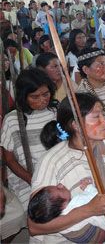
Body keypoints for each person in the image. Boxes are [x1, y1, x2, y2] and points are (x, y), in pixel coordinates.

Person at [29, 93, 105, 243]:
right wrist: (89, 210)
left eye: (103, 115)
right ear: (76, 125)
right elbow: (34, 227)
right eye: (96, 117)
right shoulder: (52, 161)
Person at [0, 68, 57, 209]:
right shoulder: (13, 120)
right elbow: (9, 159)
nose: (43, 100)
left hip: (56, 170)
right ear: (23, 96)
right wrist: (33, 180)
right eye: (35, 97)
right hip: (25, 177)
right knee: (43, 210)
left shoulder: (55, 112)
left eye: (45, 94)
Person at [28, 181, 105, 232]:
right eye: (59, 189)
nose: (60, 184)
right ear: (63, 205)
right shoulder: (77, 203)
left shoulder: (61, 218)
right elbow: (96, 197)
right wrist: (88, 186)